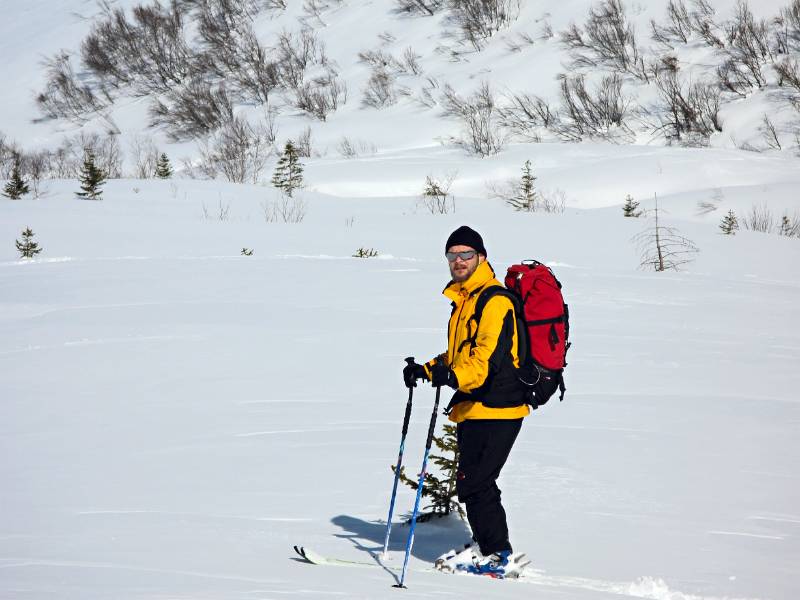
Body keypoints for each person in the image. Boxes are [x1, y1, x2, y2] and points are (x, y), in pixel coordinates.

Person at [403, 225, 529, 576]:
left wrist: (453, 377)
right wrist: (428, 369)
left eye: (466, 255)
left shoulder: (495, 300)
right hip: (476, 404)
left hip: (499, 405)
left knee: (477, 483)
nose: (458, 261)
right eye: (452, 255)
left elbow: (485, 360)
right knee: (472, 482)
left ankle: (499, 556)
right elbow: (460, 353)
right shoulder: (466, 300)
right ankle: (489, 546)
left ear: (482, 258)